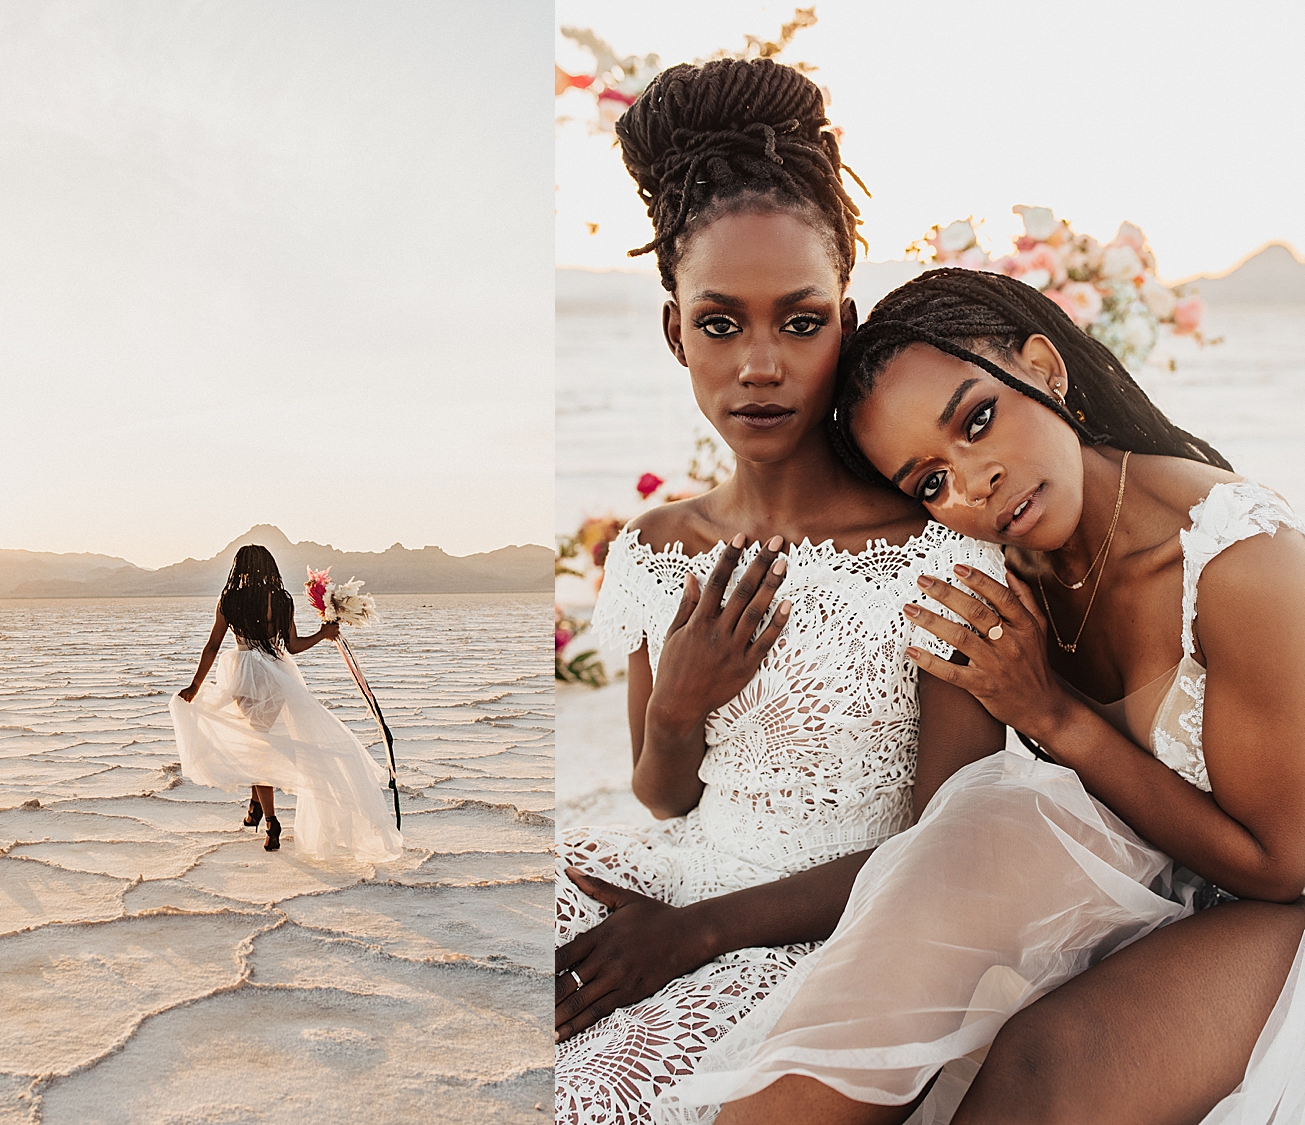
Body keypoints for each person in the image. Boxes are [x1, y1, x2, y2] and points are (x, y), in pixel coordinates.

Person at [686, 268, 1305, 1124]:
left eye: (976, 420)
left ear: (1045, 369)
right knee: (967, 853)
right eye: (930, 482)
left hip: (1282, 899)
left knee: (1040, 1066)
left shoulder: (1243, 563)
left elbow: (1282, 865)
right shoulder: (998, 567)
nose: (975, 483)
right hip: (1158, 872)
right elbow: (939, 830)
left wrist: (1052, 715)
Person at [554, 60, 1008, 1125]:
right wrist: (678, 706)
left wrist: (697, 935)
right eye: (721, 324)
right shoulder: (656, 550)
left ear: (843, 322)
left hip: (841, 937)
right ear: (675, 330)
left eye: (799, 323)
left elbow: (947, 856)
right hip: (677, 875)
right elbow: (664, 797)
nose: (760, 365)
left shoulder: (939, 553)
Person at [170, 544, 402, 862]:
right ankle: (255, 806)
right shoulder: (281, 600)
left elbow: (212, 646)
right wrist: (323, 634)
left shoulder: (229, 600)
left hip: (243, 674)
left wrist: (195, 686)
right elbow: (292, 646)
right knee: (259, 740)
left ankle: (271, 821)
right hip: (276, 675)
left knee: (258, 746)